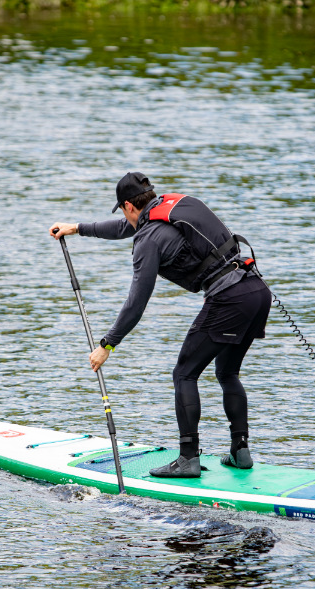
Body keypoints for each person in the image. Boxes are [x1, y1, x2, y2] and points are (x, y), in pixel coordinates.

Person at [49, 172, 271, 478]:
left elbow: (135, 305)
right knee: (227, 372)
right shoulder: (171, 208)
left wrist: (107, 344)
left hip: (229, 299)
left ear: (128, 205)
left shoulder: (148, 240)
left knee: (184, 373)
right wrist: (78, 228)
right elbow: (126, 228)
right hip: (256, 290)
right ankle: (240, 451)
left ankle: (188, 459)